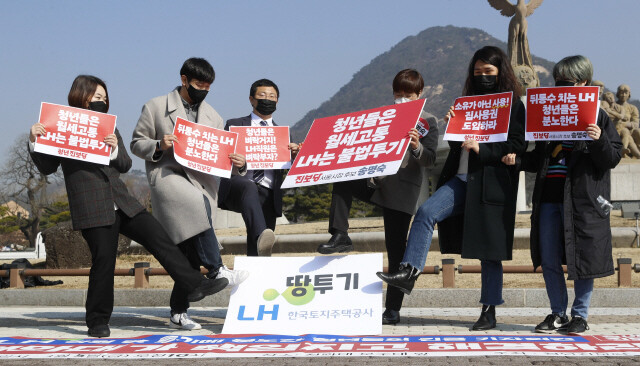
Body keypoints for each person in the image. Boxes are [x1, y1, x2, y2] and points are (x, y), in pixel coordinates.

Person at [28, 75, 228, 338]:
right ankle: (98, 321)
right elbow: (47, 167)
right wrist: (34, 140)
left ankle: (193, 284)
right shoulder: (59, 124)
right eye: (96, 97)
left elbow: (123, 164)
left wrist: (112, 148)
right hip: (91, 206)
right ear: (80, 95)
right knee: (104, 262)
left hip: (123, 200)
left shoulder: (108, 126)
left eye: (104, 98)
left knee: (160, 239)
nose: (102, 101)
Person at [377, 46, 526, 331]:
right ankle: (409, 272)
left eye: (489, 72)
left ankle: (489, 309)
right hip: (460, 180)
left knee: (489, 252)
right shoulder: (467, 102)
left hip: (491, 185)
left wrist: (483, 148)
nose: (482, 76)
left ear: (500, 73)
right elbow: (459, 147)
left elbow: (517, 146)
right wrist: (453, 127)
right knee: (425, 213)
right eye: (478, 72)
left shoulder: (514, 105)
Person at [502, 55, 622, 334]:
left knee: (583, 258)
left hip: (583, 201)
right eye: (557, 81)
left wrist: (598, 139)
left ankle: (580, 315)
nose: (560, 87)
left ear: (584, 83)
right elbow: (538, 159)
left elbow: (612, 158)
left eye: (567, 81)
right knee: (550, 258)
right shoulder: (547, 114)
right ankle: (558, 313)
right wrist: (517, 161)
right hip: (548, 199)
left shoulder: (598, 117)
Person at [131, 58, 248, 331]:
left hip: (201, 181)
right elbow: (137, 142)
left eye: (208, 87)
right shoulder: (156, 106)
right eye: (198, 85)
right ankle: (217, 268)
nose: (203, 90)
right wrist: (159, 144)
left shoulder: (214, 117)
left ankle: (178, 313)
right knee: (196, 205)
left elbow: (220, 155)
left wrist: (239, 164)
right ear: (184, 80)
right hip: (168, 176)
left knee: (188, 255)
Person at [317, 69, 439, 325]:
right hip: (374, 181)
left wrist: (416, 146)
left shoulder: (430, 121)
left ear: (420, 94)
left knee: (396, 250)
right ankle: (340, 234)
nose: (402, 99)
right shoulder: (383, 116)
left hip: (402, 190)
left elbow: (431, 159)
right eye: (398, 94)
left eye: (408, 95)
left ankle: (392, 309)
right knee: (342, 178)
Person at [218, 79, 300, 256]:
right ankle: (261, 235)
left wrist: (295, 157)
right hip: (240, 185)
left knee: (262, 245)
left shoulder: (283, 133)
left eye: (272, 96)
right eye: (262, 96)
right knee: (249, 187)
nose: (268, 100)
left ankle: (258, 271)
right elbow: (221, 159)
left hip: (269, 191)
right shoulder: (235, 125)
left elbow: (287, 168)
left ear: (277, 101)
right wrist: (238, 164)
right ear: (251, 99)